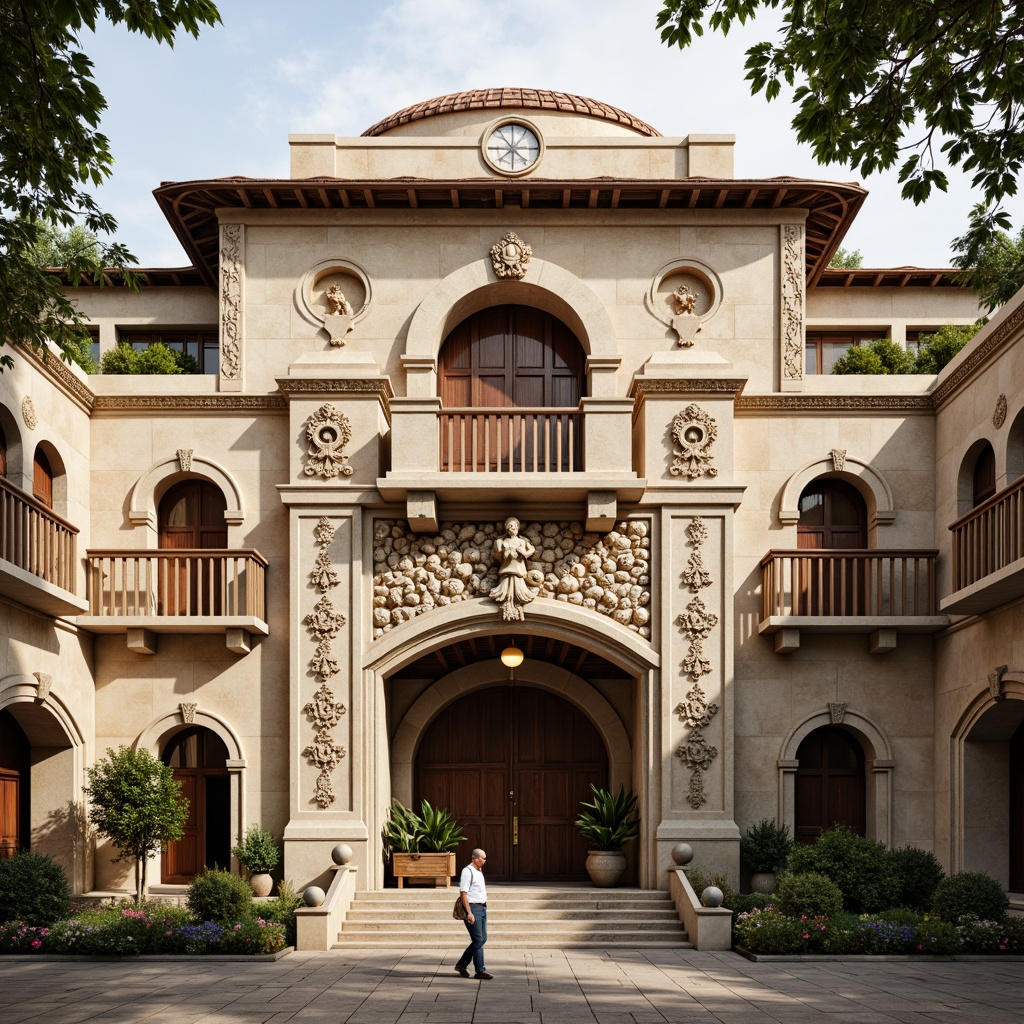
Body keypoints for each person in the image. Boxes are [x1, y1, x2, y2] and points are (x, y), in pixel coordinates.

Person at [454, 848, 491, 979]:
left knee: (482, 939)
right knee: (478, 940)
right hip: (473, 908)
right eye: (482, 859)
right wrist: (469, 912)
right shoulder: (467, 871)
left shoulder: (478, 871)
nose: (484, 862)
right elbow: (463, 893)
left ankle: (462, 965)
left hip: (482, 908)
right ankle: (480, 970)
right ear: (475, 859)